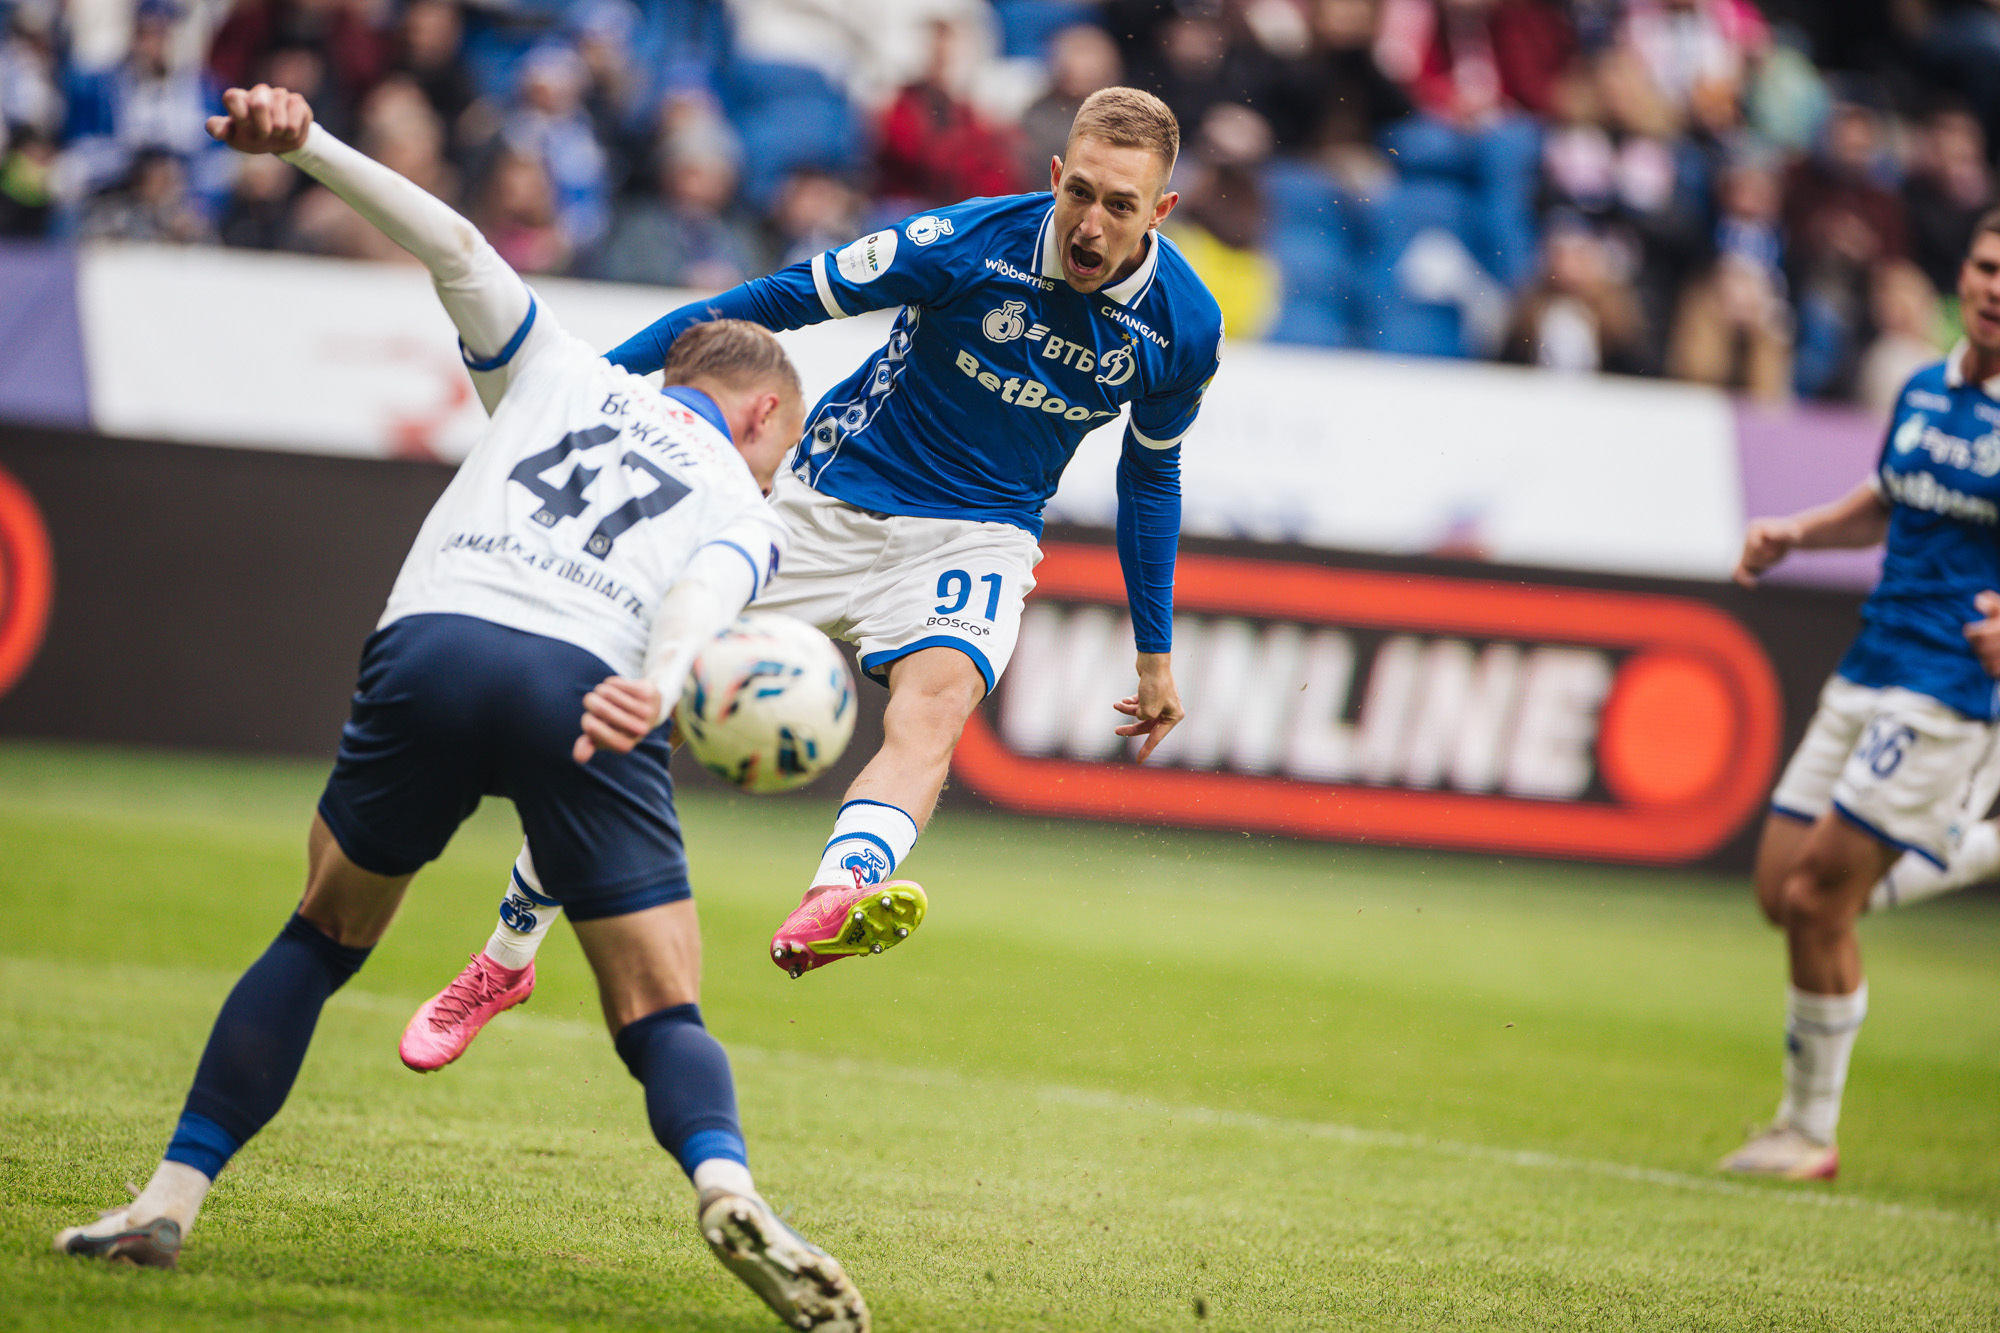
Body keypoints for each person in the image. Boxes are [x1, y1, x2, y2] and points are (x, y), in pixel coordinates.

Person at [53, 83, 869, 1333]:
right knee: (659, 1008)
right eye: (781, 443)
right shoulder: (743, 500)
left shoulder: (552, 371)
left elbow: (452, 242)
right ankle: (725, 1184)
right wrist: (663, 674)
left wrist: (310, 140)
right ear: (760, 410)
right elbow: (708, 586)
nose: (774, 465)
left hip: (435, 645)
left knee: (321, 937)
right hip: (587, 686)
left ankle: (165, 1200)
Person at [401, 85, 1222, 1069]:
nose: (1091, 225)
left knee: (934, 709)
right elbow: (770, 302)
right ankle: (506, 956)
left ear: (1160, 213)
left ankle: (839, 889)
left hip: (973, 537)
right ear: (1054, 176)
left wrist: (1154, 649)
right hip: (815, 499)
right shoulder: (961, 243)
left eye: (1119, 206)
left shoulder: (1183, 326)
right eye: (1078, 193)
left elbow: (1150, 470)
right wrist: (595, 393)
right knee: (633, 690)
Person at [1720, 208, 2000, 1181]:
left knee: (1813, 899)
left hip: (1946, 690)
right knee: (1776, 892)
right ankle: (1962, 842)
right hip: (1867, 663)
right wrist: (1795, 532)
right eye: (1982, 264)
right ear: (1957, 275)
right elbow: (1884, 501)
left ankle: (1805, 1133)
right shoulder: (1922, 388)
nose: (1993, 286)